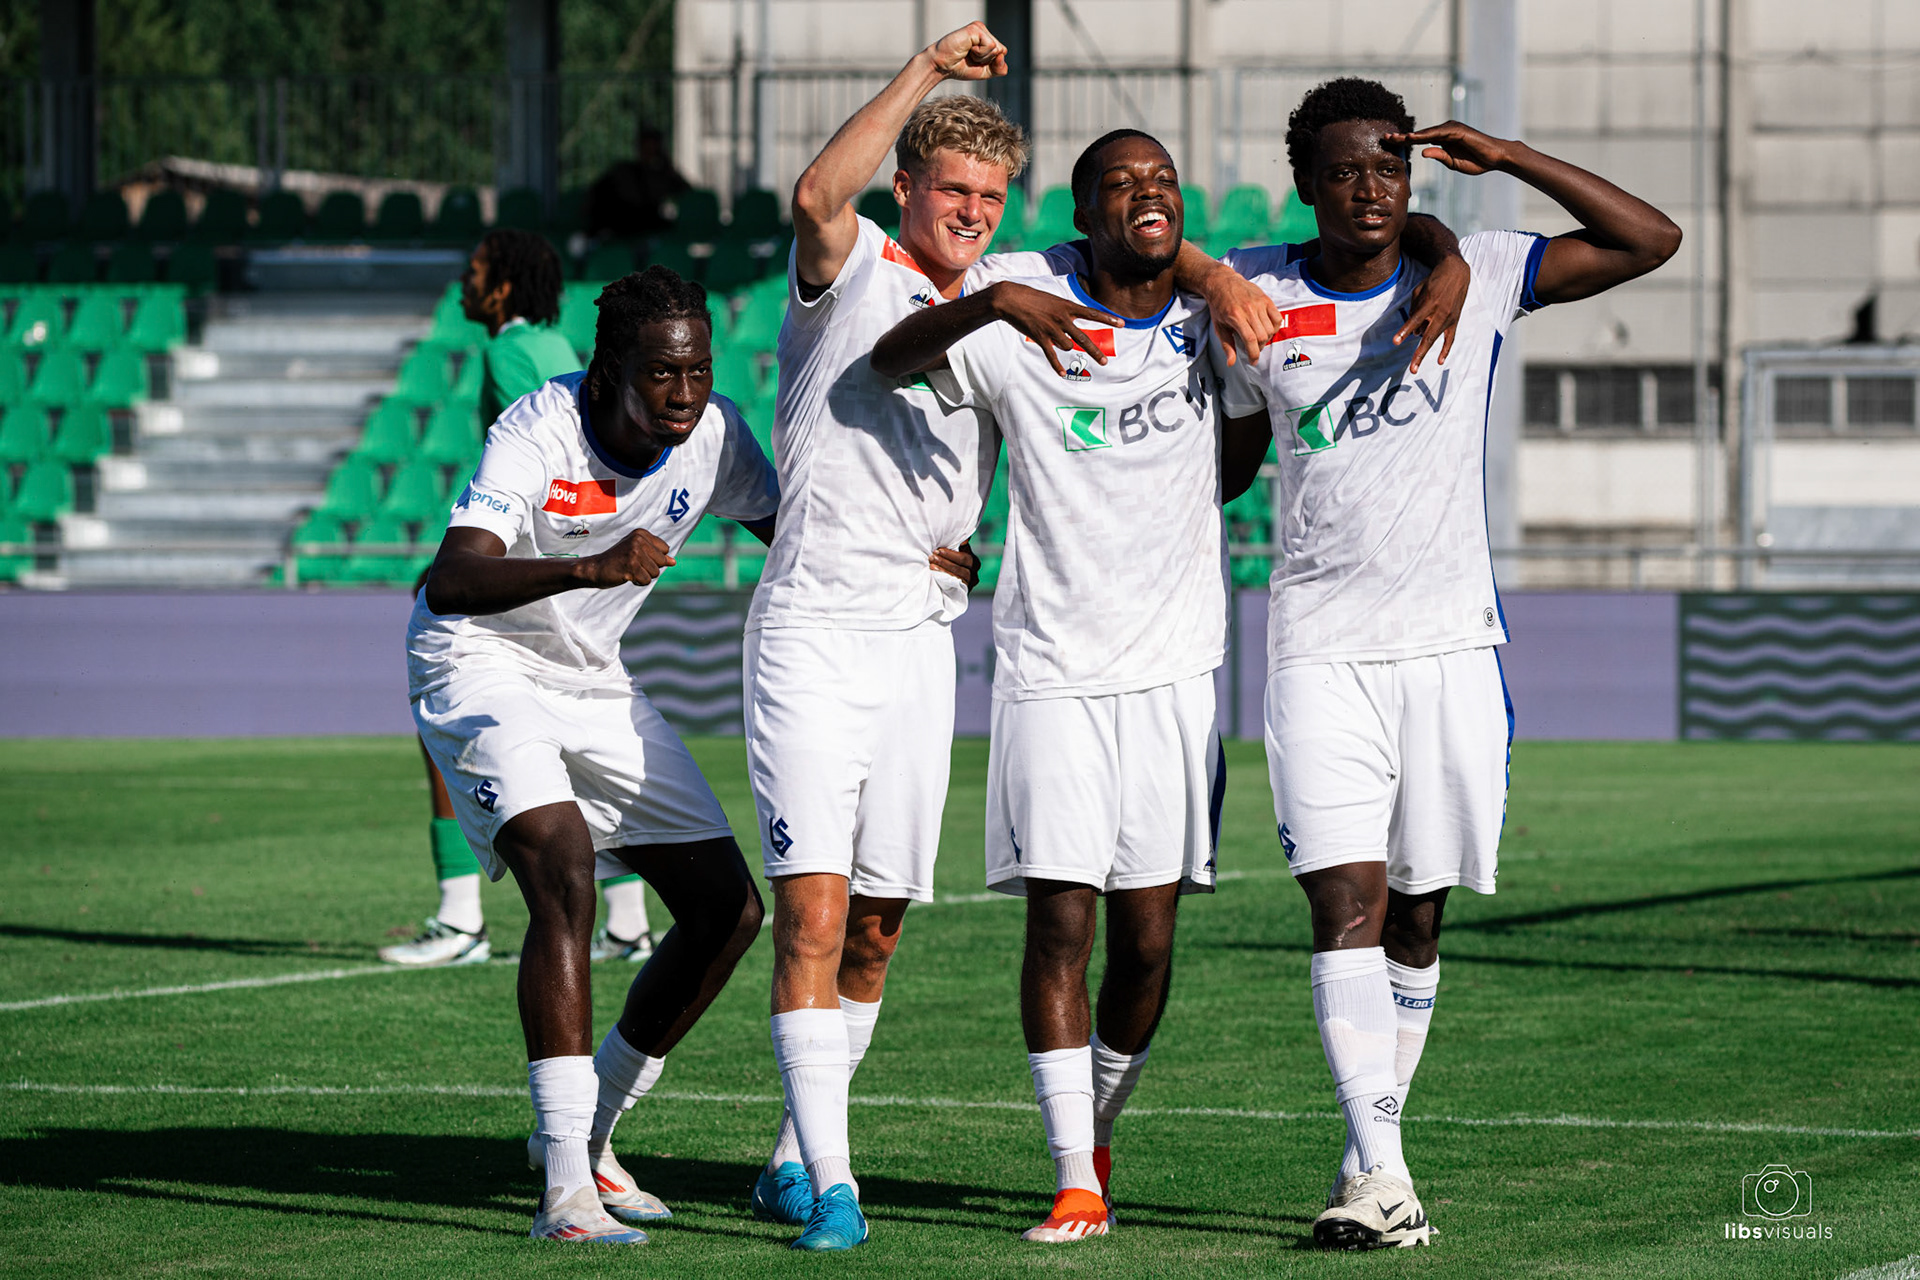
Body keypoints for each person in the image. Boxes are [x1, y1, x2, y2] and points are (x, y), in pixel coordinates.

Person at [740, 22, 1318, 1252]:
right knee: (819, 913)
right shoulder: (864, 267)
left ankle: (795, 1151)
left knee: (884, 920)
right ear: (909, 190)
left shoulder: (1016, 296)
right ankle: (835, 1183)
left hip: (926, 628)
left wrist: (1212, 276)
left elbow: (1148, 247)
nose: (966, 210)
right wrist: (929, 75)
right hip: (826, 632)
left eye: (986, 198)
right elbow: (823, 212)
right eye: (949, 189)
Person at [1215, 79, 1680, 1250]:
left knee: (1417, 917)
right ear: (1305, 183)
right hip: (1317, 646)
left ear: (1412, 176)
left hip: (1453, 648)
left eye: (1389, 166)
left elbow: (1651, 240)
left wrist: (1511, 155)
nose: (1370, 187)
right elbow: (1218, 449)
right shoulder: (1255, 288)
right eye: (1344, 170)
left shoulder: (1473, 275)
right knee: (1345, 899)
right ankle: (1384, 1169)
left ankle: (1370, 1155)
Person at [408, 266, 782, 1244]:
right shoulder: (540, 426)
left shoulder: (714, 435)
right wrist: (590, 563)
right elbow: (450, 577)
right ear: (610, 367)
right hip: (480, 657)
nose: (686, 392)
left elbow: (789, 529)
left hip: (590, 676)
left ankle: (595, 1134)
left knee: (727, 908)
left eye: (698, 369)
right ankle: (565, 1191)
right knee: (565, 870)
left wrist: (911, 557)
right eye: (664, 372)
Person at [381, 229, 655, 969]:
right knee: (581, 752)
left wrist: (479, 559)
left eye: (474, 272)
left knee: (447, 725)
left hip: (527, 587)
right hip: (579, 580)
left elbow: (530, 470)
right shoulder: (562, 348)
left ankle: (459, 916)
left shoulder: (508, 354)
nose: (464, 285)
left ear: (502, 284)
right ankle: (628, 924)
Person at [586, 125, 692, 242]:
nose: (649, 152)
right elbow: (597, 194)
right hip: (621, 224)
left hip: (649, 226)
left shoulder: (660, 175)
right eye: (646, 147)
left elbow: (686, 191)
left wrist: (666, 166)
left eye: (653, 148)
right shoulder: (623, 171)